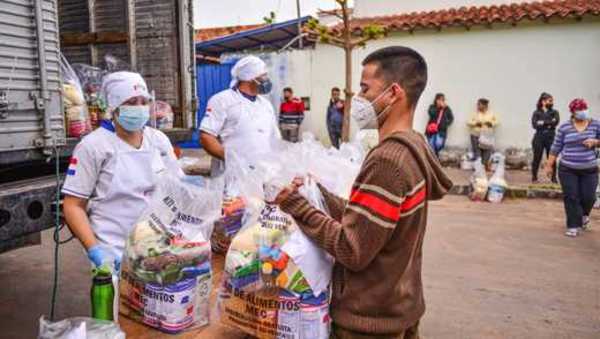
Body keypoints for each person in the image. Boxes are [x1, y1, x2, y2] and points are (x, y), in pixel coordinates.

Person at [275, 46, 453, 338]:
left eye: (364, 87)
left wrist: (296, 206)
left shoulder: (388, 162)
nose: (357, 98)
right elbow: (371, 223)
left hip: (370, 320)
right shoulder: (414, 147)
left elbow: (352, 248)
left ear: (394, 92)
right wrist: (316, 192)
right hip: (400, 306)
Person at [62, 72, 180, 269]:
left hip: (160, 249)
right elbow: (73, 205)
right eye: (132, 102)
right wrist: (95, 251)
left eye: (144, 102)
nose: (140, 108)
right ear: (114, 107)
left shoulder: (158, 140)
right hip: (114, 252)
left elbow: (178, 188)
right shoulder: (93, 146)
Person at [199, 56, 280, 176]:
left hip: (262, 174)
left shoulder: (266, 104)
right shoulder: (222, 100)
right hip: (231, 176)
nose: (267, 79)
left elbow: (274, 139)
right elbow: (206, 137)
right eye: (263, 75)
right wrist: (232, 160)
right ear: (250, 78)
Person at [545, 98, 599, 237]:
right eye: (579, 110)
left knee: (589, 197)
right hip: (568, 168)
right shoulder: (564, 127)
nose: (583, 112)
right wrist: (549, 165)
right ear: (573, 112)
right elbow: (556, 147)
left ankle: (584, 215)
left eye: (584, 108)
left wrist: (595, 142)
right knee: (571, 196)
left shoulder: (595, 125)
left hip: (589, 169)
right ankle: (573, 225)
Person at [531, 92, 560, 183]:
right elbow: (535, 125)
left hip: (550, 137)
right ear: (543, 102)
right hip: (539, 137)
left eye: (552, 101)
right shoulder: (536, 112)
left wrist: (542, 122)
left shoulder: (554, 112)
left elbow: (555, 122)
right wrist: (549, 122)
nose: (551, 103)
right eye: (549, 101)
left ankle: (553, 178)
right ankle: (534, 177)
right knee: (537, 157)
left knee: (552, 157)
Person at [467, 98, 498, 168]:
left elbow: (497, 122)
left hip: (487, 136)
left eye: (479, 105)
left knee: (487, 151)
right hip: (475, 134)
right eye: (477, 104)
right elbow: (468, 122)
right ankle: (478, 167)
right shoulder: (475, 113)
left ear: (485, 106)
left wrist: (491, 123)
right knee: (477, 151)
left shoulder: (491, 114)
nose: (477, 106)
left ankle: (483, 166)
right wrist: (475, 123)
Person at [425, 93, 454, 157]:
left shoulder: (447, 108)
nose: (441, 101)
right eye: (439, 99)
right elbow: (431, 113)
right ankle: (434, 160)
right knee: (431, 145)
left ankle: (434, 157)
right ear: (436, 100)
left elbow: (451, 118)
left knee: (439, 144)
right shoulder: (432, 107)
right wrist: (438, 107)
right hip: (431, 130)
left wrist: (445, 124)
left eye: (442, 100)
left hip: (441, 131)